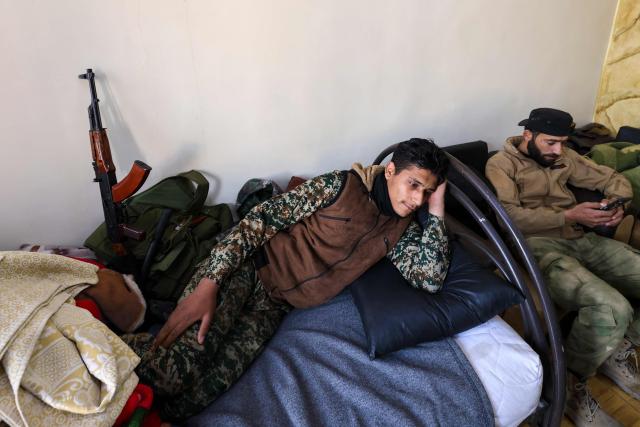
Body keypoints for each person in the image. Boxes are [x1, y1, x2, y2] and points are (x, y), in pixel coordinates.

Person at [123, 138, 451, 420]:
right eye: (414, 184)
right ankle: (92, 340)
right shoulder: (340, 187)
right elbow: (259, 220)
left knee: (186, 404)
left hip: (274, 307)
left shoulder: (400, 230)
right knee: (173, 373)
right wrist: (211, 281)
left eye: (428, 192)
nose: (417, 200)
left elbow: (430, 279)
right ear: (390, 171)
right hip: (248, 269)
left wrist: (436, 213)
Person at [486, 108, 640, 427]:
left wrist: (617, 204)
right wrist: (567, 216)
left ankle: (614, 346)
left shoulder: (563, 156)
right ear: (528, 135)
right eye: (551, 142)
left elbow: (613, 179)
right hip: (538, 245)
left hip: (580, 237)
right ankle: (568, 383)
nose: (559, 150)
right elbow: (509, 218)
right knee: (611, 306)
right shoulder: (501, 164)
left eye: (563, 143)